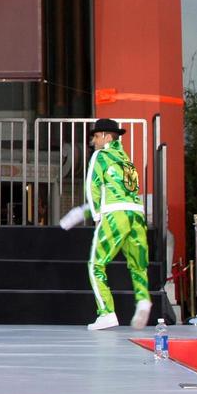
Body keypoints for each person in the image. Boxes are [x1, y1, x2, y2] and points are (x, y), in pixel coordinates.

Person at [58, 118, 151, 331]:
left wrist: (96, 214)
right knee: (138, 265)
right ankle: (144, 300)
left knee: (96, 265)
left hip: (114, 215)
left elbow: (93, 188)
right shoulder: (126, 159)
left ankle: (106, 312)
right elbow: (126, 190)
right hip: (136, 214)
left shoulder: (101, 156)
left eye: (96, 136)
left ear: (107, 137)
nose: (93, 141)